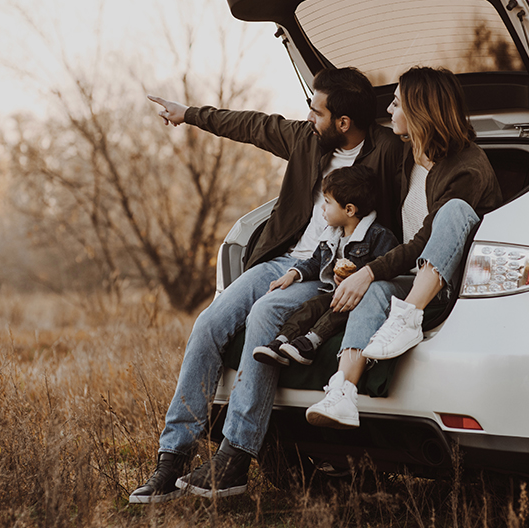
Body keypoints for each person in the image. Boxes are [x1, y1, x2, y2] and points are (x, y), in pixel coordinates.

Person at [129, 67, 403, 503]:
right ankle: (172, 456)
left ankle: (236, 455)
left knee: (263, 316)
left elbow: (417, 193)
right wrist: (190, 114)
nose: (309, 117)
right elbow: (253, 125)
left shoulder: (388, 151)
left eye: (317, 112)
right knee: (208, 324)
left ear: (344, 123)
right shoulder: (308, 140)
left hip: (329, 272)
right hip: (280, 262)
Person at [305, 66, 502, 429]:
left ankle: (407, 317)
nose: (390, 112)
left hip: (448, 287)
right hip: (410, 279)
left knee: (454, 211)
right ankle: (343, 391)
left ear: (420, 111)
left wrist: (369, 270)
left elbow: (425, 240)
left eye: (396, 104)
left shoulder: (467, 169)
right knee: (375, 290)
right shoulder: (410, 158)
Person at [252, 165, 398, 369]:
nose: (322, 208)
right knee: (311, 306)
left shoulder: (378, 236)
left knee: (336, 311)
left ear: (349, 209)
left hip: (358, 299)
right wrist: (294, 274)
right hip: (334, 292)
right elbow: (315, 261)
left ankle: (310, 343)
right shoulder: (332, 235)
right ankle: (281, 342)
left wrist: (358, 277)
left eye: (327, 203)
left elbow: (386, 269)